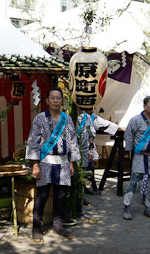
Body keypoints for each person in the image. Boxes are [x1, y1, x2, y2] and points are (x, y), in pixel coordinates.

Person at [26, 87, 80, 242]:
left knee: (61, 196)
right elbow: (33, 142)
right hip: (45, 163)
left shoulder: (67, 119)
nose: (56, 101)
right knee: (41, 197)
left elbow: (72, 141)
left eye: (58, 98)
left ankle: (58, 226)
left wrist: (71, 163)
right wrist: (35, 165)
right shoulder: (40, 118)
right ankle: (36, 228)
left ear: (62, 101)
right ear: (47, 101)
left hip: (63, 164)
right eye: (53, 98)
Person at [75, 106, 120, 195]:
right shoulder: (76, 117)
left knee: (90, 168)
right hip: (76, 148)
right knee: (81, 169)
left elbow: (106, 124)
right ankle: (84, 189)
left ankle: (92, 187)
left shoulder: (93, 117)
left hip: (87, 147)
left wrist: (118, 128)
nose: (92, 110)